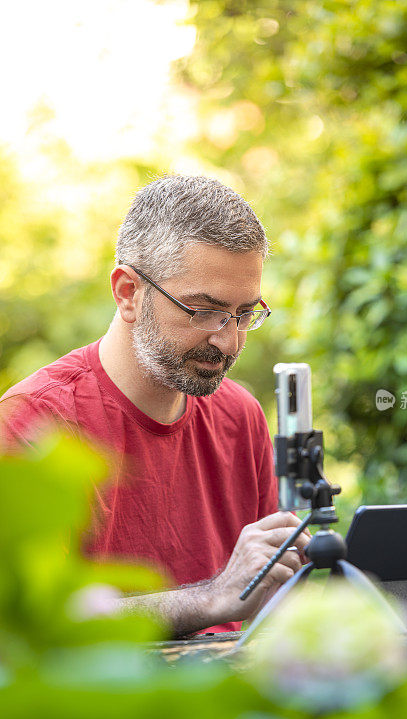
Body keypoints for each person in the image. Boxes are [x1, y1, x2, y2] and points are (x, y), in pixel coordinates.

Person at [0, 175, 310, 634]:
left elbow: (268, 604)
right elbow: (30, 627)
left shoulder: (240, 415)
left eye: (245, 314)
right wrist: (212, 597)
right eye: (202, 311)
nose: (227, 340)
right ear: (128, 292)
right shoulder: (33, 421)